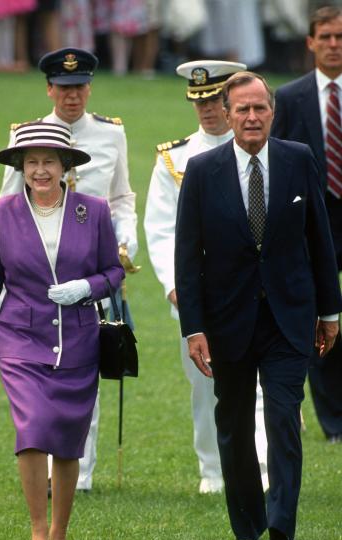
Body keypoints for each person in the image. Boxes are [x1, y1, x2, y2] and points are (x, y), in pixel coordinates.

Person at [175, 71, 342, 540]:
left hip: (290, 318)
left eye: (260, 108)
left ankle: (281, 529)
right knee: (234, 422)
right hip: (228, 323)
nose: (251, 117)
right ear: (226, 115)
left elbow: (320, 240)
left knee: (285, 420)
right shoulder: (202, 171)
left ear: (273, 112)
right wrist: (195, 328)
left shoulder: (298, 159)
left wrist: (330, 311)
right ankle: (247, 520)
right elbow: (188, 257)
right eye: (242, 109)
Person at [0, 121, 124, 540]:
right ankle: (38, 531)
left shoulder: (92, 210)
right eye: (32, 162)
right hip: (20, 337)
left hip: (79, 339)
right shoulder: (0, 211)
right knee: (34, 429)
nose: (40, 170)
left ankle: (60, 533)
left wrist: (86, 288)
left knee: (67, 438)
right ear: (21, 167)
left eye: (49, 162)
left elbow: (112, 272)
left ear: (65, 167)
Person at [0, 47, 138, 492]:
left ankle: (81, 473)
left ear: (89, 88)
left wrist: (126, 235)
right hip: (37, 273)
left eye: (78, 88)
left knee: (88, 368)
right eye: (63, 88)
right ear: (49, 89)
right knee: (39, 374)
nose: (71, 96)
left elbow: (122, 196)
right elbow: (8, 206)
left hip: (91, 265)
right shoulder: (27, 134)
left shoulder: (111, 133)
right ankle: (43, 464)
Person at [144, 59, 268, 494]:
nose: (208, 110)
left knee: (258, 380)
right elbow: (160, 228)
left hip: (252, 288)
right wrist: (174, 286)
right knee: (206, 384)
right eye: (199, 102)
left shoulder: (263, 149)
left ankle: (262, 468)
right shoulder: (175, 158)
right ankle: (213, 470)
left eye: (215, 100)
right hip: (199, 292)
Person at [271, 5, 342, 443]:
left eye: (341, 37)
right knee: (322, 320)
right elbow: (278, 161)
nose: (334, 45)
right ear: (311, 42)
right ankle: (334, 421)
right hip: (315, 223)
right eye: (327, 37)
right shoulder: (291, 97)